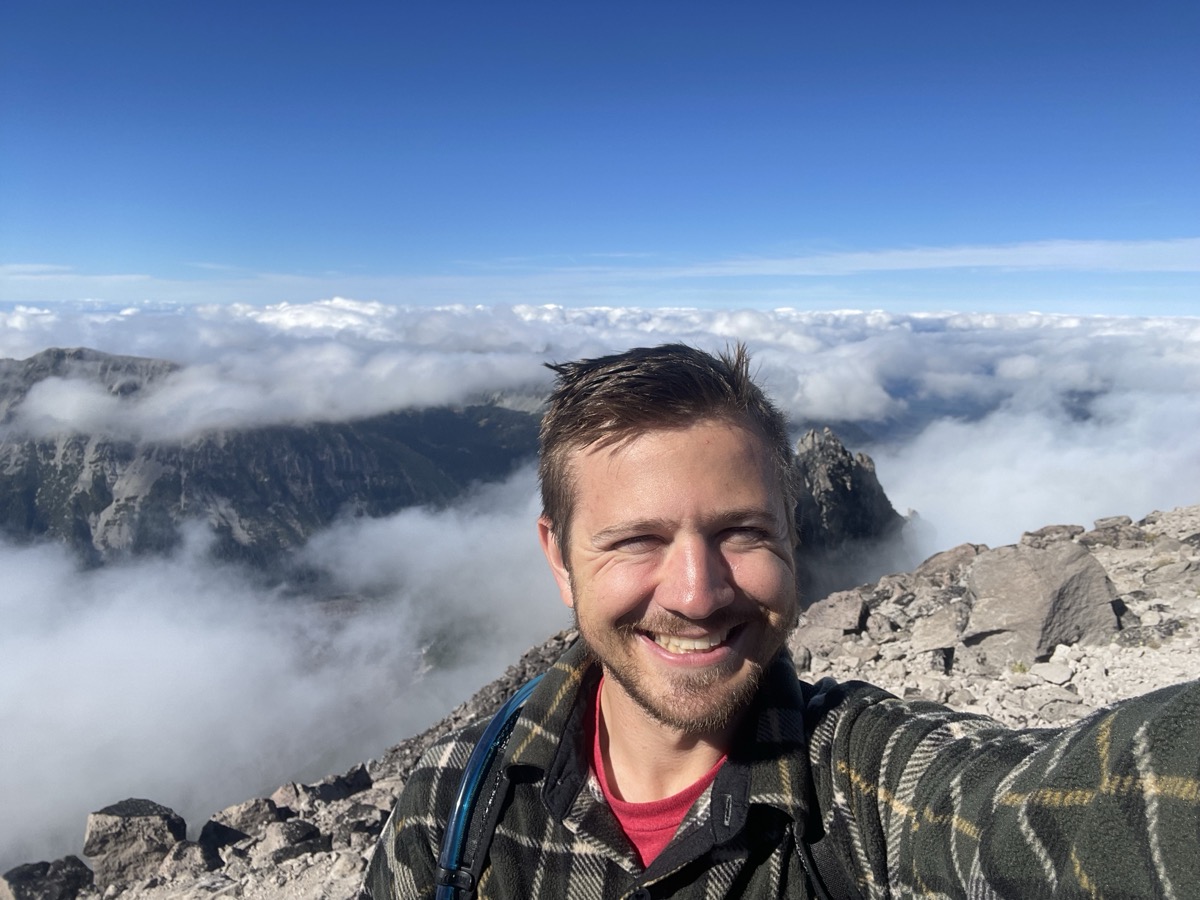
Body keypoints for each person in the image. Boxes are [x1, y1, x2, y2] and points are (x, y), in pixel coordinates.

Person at [365, 343, 1200, 899]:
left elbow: (1041, 811)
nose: (696, 594)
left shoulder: (860, 789)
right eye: (636, 541)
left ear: (795, 538)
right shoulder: (452, 811)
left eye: (742, 532)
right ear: (558, 559)